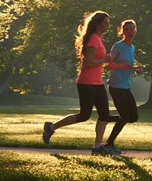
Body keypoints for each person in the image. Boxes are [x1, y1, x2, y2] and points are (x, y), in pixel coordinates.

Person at [42, 10, 119, 155]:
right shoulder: (94, 40)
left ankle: (97, 147)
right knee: (85, 115)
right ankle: (51, 127)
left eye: (109, 23)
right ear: (97, 24)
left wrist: (109, 63)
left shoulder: (97, 38)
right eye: (105, 23)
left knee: (104, 114)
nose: (108, 25)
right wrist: (104, 60)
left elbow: (97, 63)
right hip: (87, 83)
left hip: (96, 82)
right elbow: (89, 62)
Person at [101, 19, 144, 154]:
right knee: (125, 116)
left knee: (133, 117)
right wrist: (122, 66)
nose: (130, 32)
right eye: (127, 29)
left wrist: (135, 68)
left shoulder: (132, 47)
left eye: (132, 29)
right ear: (122, 32)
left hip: (125, 86)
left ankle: (107, 118)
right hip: (115, 85)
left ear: (135, 31)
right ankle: (109, 144)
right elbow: (107, 65)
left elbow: (127, 65)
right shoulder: (118, 46)